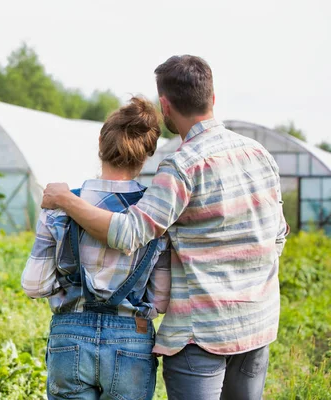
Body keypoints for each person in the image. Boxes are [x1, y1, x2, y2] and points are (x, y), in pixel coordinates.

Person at [40, 55, 289, 400]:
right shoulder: (259, 154)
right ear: (212, 98)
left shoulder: (183, 165)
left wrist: (66, 200)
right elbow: (278, 235)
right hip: (257, 324)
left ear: (165, 105)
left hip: (201, 334)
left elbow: (128, 234)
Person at [22, 96, 171, 400]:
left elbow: (34, 285)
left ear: (102, 143)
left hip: (69, 333)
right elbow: (162, 299)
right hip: (132, 339)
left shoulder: (60, 205)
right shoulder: (155, 215)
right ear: (145, 155)